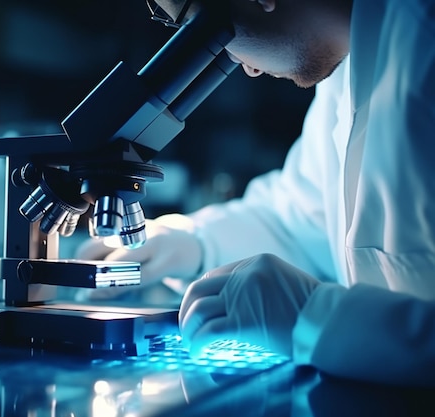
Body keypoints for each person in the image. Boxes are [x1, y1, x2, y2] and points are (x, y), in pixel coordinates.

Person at [76, 0, 435, 386]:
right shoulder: (349, 70)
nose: (247, 67)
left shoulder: (423, 41)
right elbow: (298, 219)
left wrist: (320, 319)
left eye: (193, 20)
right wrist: (193, 243)